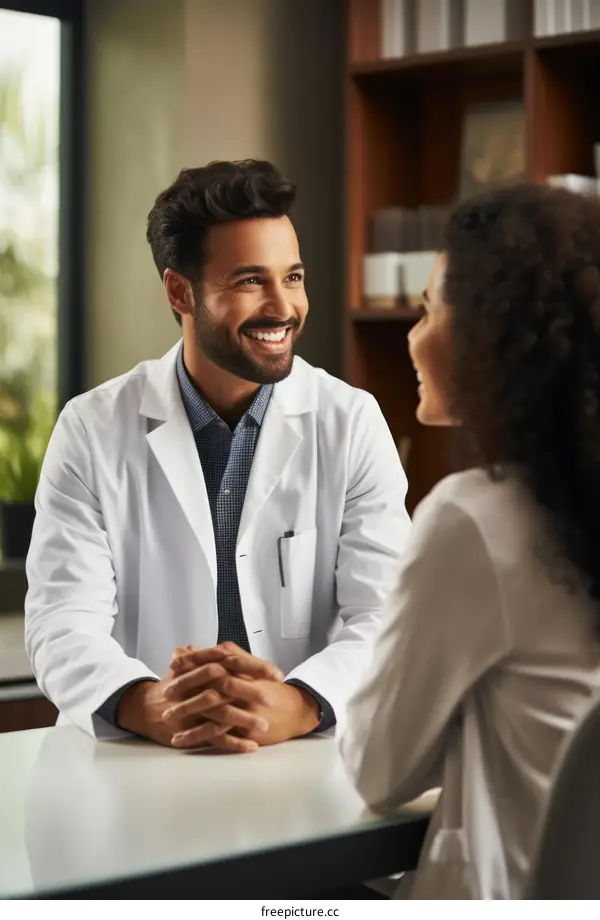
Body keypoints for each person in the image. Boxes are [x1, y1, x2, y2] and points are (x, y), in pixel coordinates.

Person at [25, 159, 410, 753]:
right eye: (251, 281)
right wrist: (151, 704)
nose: (283, 307)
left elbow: (388, 618)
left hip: (301, 760)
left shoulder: (350, 422)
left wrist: (298, 703)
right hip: (135, 766)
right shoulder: (91, 428)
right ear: (180, 291)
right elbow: (60, 622)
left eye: (294, 277)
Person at [339, 184, 600, 899]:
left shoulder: (475, 520)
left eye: (430, 308)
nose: (413, 336)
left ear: (493, 334)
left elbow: (377, 769)